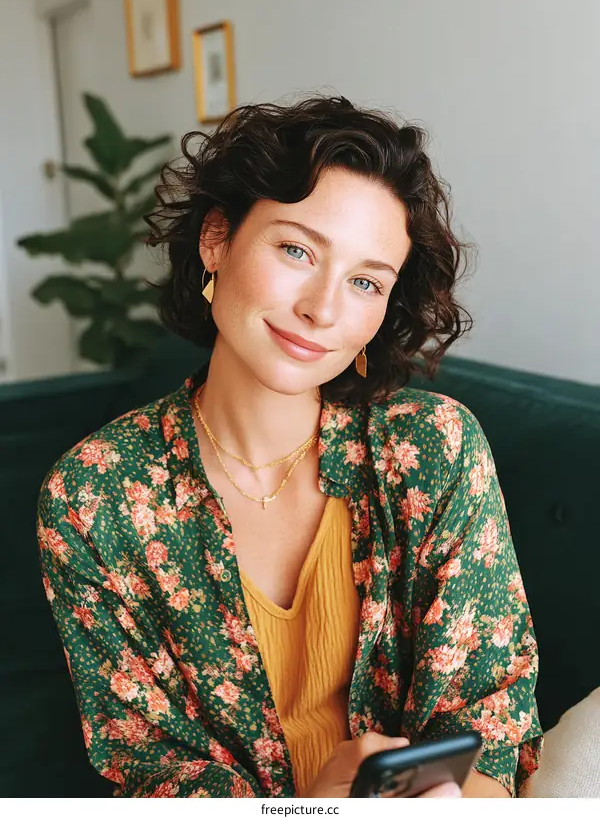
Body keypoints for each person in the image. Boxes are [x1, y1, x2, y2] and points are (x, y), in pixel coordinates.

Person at [37, 95, 543, 798]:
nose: (323, 309)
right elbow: (153, 770)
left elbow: (490, 728)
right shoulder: (93, 496)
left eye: (365, 281)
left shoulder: (435, 448)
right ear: (217, 238)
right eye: (297, 249)